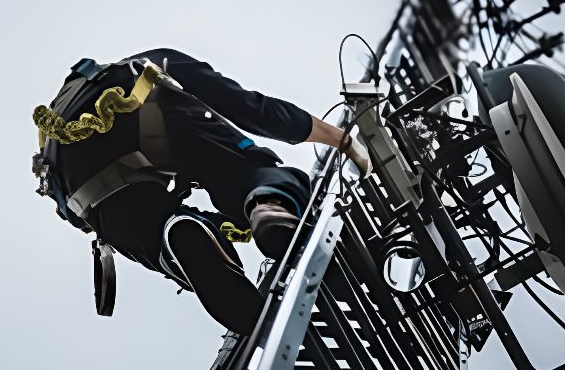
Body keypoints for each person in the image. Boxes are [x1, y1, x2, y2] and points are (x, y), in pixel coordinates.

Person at [32, 48, 369, 335]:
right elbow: (249, 107)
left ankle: (173, 239)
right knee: (237, 166)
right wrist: (339, 138)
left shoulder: (59, 129)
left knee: (151, 230)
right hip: (143, 110)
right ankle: (269, 204)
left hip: (78, 180)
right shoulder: (149, 62)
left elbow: (80, 216)